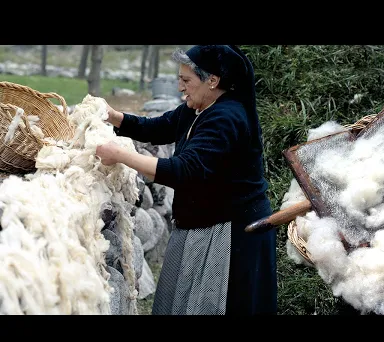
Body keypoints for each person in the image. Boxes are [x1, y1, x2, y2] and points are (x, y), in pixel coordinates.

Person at [95, 45, 277, 315]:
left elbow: (184, 170)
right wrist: (114, 116)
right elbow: (155, 128)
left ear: (213, 81)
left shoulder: (227, 118)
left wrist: (121, 155)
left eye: (186, 80)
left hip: (231, 233)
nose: (180, 87)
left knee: (222, 304)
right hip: (203, 224)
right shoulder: (198, 109)